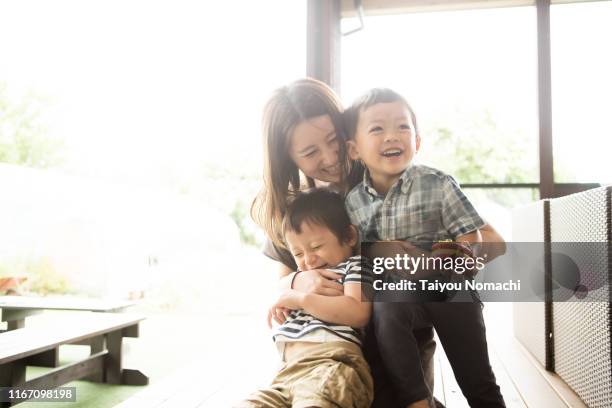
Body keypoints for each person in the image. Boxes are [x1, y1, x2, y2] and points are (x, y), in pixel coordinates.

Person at [251, 78, 505, 407]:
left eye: (334, 140)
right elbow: (283, 285)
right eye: (311, 152)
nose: (331, 157)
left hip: (401, 337)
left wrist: (430, 264)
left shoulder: (383, 172)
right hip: (333, 354)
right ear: (289, 158)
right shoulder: (299, 207)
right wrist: (302, 277)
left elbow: (495, 243)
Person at [344, 87, 506, 408]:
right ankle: (417, 401)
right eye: (377, 128)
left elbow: (471, 235)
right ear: (354, 150)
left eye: (403, 127)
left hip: (448, 288)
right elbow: (354, 254)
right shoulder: (354, 203)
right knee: (387, 308)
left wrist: (460, 254)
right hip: (399, 296)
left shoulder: (438, 183)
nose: (392, 136)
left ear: (417, 142)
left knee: (477, 378)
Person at [239, 189, 374, 408]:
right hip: (286, 373)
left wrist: (301, 300)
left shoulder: (355, 266)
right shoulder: (300, 280)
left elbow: (358, 312)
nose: (309, 260)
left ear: (349, 237)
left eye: (317, 247)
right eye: (298, 254)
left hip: (332, 365)